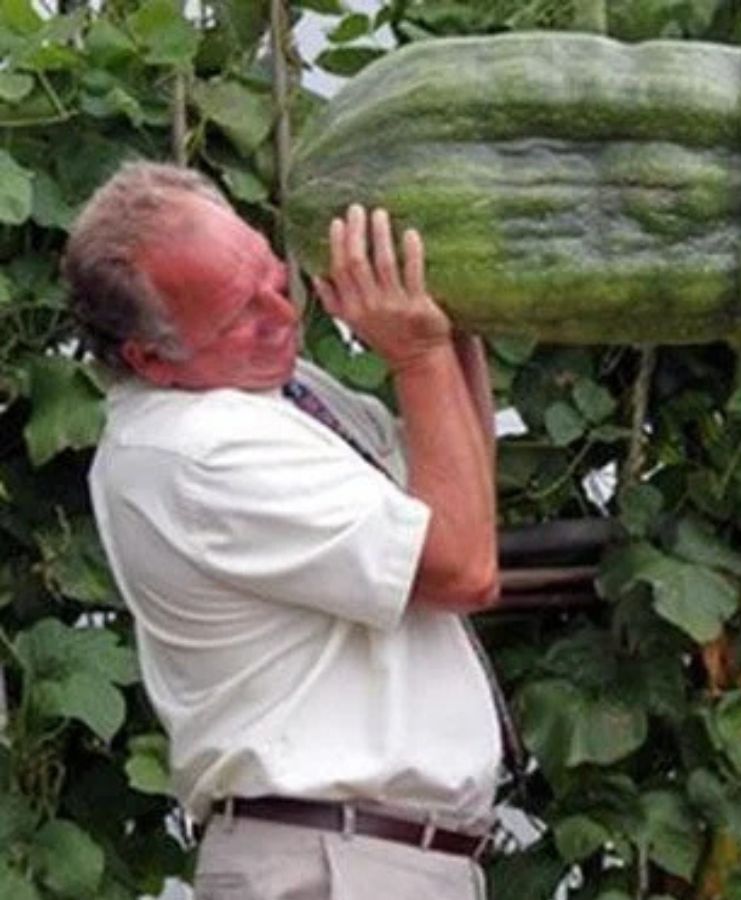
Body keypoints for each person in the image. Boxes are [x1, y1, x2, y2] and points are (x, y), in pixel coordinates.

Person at [65, 161, 505, 900]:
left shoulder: (277, 391)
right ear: (150, 359)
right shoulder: (200, 450)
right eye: (241, 312)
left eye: (274, 276)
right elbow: (463, 567)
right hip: (332, 864)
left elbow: (460, 499)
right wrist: (417, 354)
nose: (284, 314)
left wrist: (445, 313)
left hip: (366, 857)